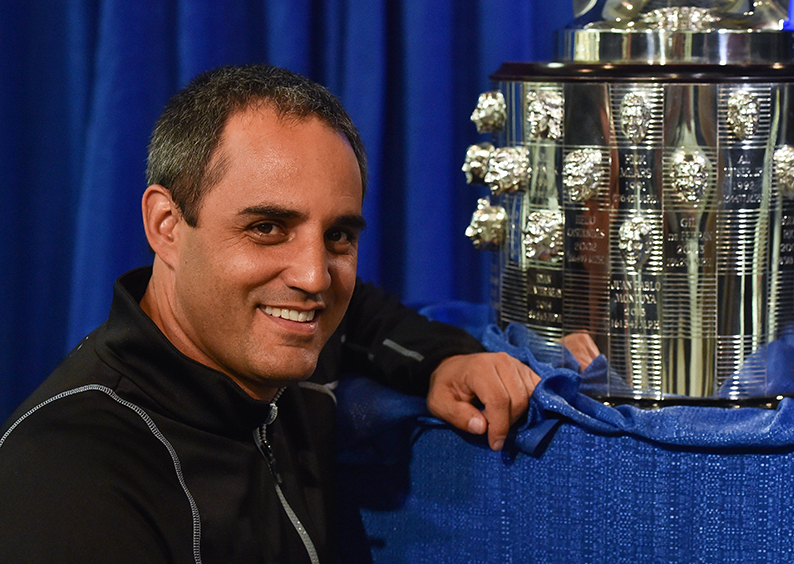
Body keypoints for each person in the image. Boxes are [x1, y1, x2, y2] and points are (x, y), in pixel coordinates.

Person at [0, 64, 540, 563]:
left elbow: (365, 314)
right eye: (267, 228)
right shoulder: (69, 479)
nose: (314, 277)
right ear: (167, 225)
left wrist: (446, 360)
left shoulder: (271, 333)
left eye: (338, 235)